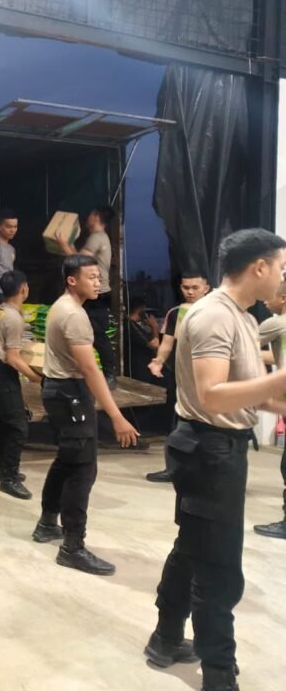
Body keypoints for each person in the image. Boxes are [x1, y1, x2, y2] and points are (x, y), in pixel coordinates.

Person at [145, 228, 286, 691]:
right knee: (219, 568)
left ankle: (165, 639)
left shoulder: (243, 317)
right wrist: (278, 381)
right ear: (259, 267)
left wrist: (277, 398)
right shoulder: (212, 316)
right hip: (209, 450)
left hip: (220, 447)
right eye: (281, 267)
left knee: (194, 549)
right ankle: (219, 674)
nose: (283, 277)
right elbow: (212, 394)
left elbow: (247, 393)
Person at [31, 254, 138, 576]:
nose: (97, 282)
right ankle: (72, 547)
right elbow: (91, 370)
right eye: (91, 277)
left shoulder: (63, 307)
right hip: (71, 394)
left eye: (98, 277)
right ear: (71, 280)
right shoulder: (73, 315)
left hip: (61, 391)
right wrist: (116, 415)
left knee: (67, 461)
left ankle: (47, 524)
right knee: (82, 469)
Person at [145, 272, 211, 482]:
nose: (190, 292)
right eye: (185, 287)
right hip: (182, 377)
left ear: (206, 288)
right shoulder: (176, 313)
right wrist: (159, 361)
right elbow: (167, 343)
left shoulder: (215, 311)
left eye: (195, 287)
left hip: (209, 376)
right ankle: (174, 468)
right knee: (178, 423)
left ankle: (206, 471)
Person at [0, 269, 39, 500]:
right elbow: (12, 358)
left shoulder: (0, 311)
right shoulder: (14, 318)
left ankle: (0, 469)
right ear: (23, 289)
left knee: (4, 424)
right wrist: (37, 377)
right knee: (18, 426)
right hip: (3, 373)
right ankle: (9, 478)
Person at [54, 206, 117, 387]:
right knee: (83, 332)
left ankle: (110, 374)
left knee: (97, 335)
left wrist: (63, 245)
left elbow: (80, 265)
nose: (87, 217)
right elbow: (79, 257)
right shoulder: (98, 238)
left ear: (96, 216)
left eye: (90, 214)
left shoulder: (97, 238)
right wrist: (69, 245)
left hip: (96, 294)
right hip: (95, 293)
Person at [252, 279, 286, 539]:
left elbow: (242, 346)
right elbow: (276, 356)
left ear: (283, 298)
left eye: (270, 296)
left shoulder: (276, 323)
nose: (265, 301)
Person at [126, 297, 160, 382]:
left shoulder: (133, 325)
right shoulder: (131, 327)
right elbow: (154, 345)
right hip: (139, 368)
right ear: (140, 309)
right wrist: (155, 327)